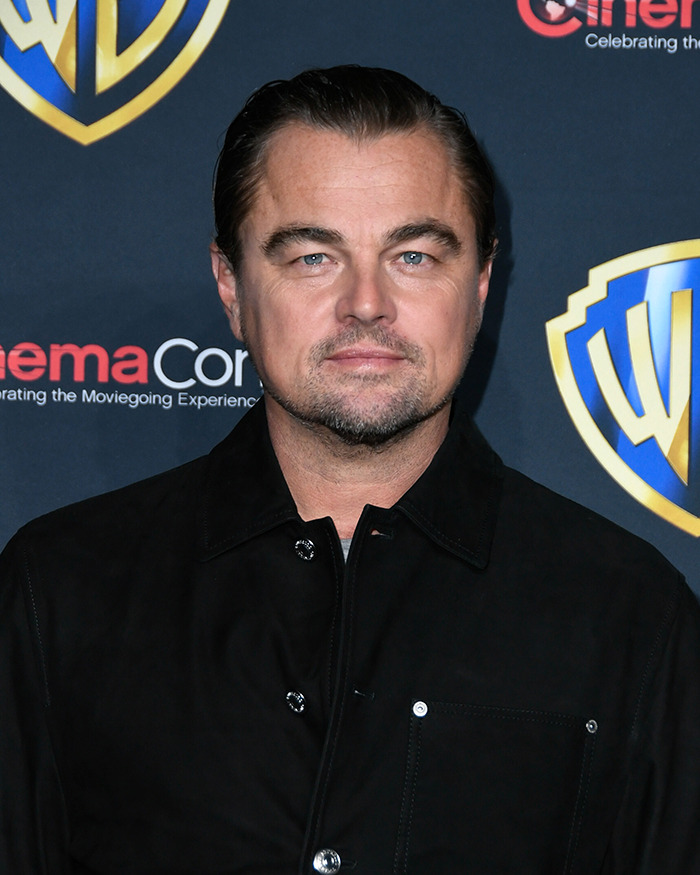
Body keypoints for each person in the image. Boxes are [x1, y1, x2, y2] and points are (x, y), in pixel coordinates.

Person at [1, 65, 699, 875]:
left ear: (478, 284)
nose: (366, 303)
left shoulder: (631, 618)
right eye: (311, 258)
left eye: (412, 255)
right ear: (231, 287)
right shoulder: (57, 593)